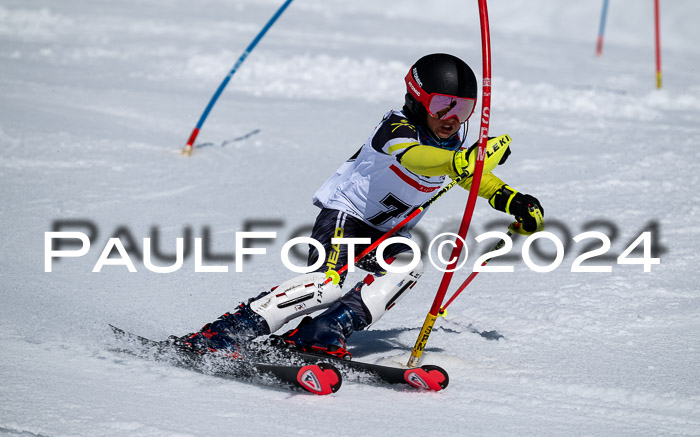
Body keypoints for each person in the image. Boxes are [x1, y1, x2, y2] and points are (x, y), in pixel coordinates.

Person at [173, 53, 544, 359]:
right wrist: (461, 161)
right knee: (325, 284)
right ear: (417, 98)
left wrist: (511, 200)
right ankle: (227, 332)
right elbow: (417, 159)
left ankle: (321, 332)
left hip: (388, 233)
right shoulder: (397, 130)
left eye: (463, 109)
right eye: (443, 105)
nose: (452, 118)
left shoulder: (450, 145)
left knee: (407, 265)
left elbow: (467, 176)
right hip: (346, 217)